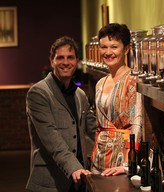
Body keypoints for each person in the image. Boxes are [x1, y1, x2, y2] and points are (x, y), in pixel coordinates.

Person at [26, 36, 96, 192]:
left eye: (70, 57)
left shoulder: (80, 95)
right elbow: (51, 137)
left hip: (80, 181)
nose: (66, 62)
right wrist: (74, 167)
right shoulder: (38, 93)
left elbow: (94, 129)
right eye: (60, 58)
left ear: (77, 61)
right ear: (52, 61)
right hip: (50, 183)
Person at [90, 23, 143, 176]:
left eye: (114, 47)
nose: (108, 52)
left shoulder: (133, 79)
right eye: (103, 47)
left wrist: (127, 164)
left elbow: (137, 122)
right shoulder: (100, 83)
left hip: (121, 160)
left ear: (126, 49)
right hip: (98, 157)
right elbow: (98, 126)